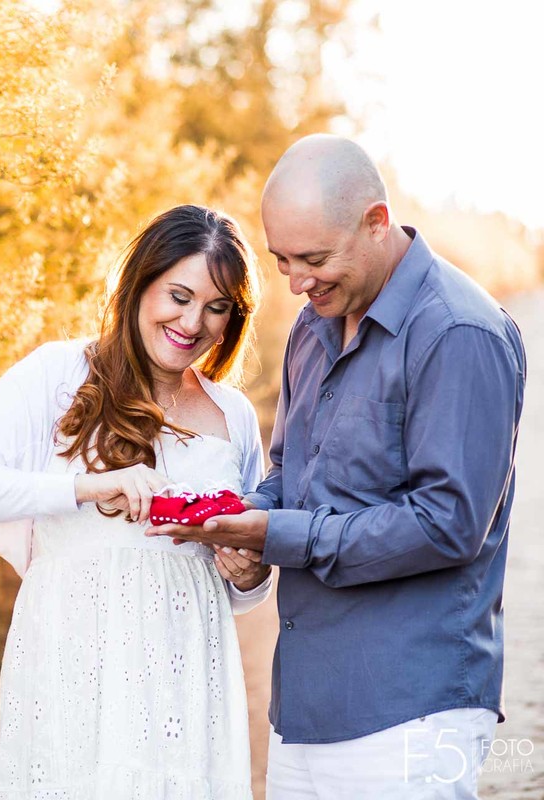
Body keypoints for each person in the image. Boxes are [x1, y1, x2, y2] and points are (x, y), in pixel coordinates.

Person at [149, 135, 527, 798]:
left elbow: (447, 524)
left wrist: (278, 535)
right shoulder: (312, 326)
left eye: (314, 259)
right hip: (305, 708)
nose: (296, 282)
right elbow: (289, 473)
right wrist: (240, 524)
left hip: (410, 707)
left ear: (377, 223)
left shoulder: (458, 333)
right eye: (282, 260)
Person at [0, 205, 272, 799]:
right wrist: (86, 487)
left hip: (186, 670)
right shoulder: (58, 373)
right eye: (179, 296)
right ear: (140, 281)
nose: (193, 322)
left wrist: (248, 569)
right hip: (73, 658)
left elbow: (246, 590)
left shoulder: (232, 415)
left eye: (216, 307)